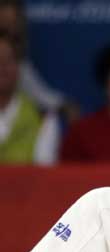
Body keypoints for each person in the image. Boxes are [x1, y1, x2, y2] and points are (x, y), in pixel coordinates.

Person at [0, 0, 74, 119]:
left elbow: (37, 93)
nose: (10, 30)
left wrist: (63, 105)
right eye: (4, 25)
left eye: (14, 23)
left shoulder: (19, 64)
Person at [0, 32, 58, 165]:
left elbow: (43, 177)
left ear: (19, 66)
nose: (2, 66)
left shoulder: (43, 117)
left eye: (8, 59)